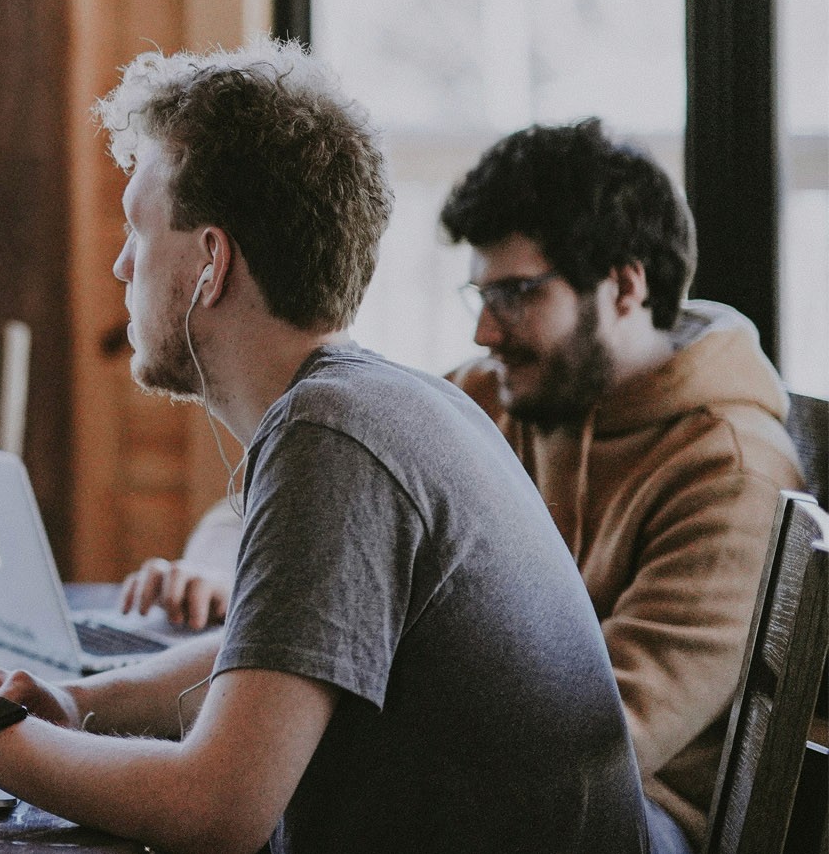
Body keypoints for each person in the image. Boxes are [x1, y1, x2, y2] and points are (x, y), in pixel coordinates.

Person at [0, 41, 646, 853]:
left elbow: (215, 810)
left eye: (137, 230)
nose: (119, 264)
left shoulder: (333, 435)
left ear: (211, 262)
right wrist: (75, 703)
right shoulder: (394, 400)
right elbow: (277, 650)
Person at [118, 119, 802, 852]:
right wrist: (222, 572)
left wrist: (275, 707)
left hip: (631, 819)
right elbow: (313, 499)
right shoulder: (494, 394)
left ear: (627, 285)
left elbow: (599, 744)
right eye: (479, 295)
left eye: (516, 294)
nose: (485, 333)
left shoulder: (731, 470)